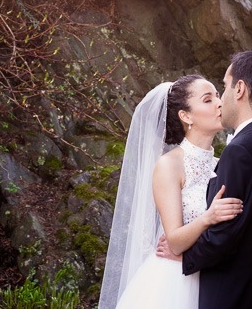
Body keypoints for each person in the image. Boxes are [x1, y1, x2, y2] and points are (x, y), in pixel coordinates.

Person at [159, 51, 252, 308]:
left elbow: (224, 236)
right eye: (209, 98)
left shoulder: (241, 150)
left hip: (238, 296)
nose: (220, 100)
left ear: (240, 89)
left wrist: (183, 256)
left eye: (223, 87)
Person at [98, 74, 243, 309]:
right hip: (174, 282)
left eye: (218, 95)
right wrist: (209, 217)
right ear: (186, 116)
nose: (219, 103)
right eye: (208, 100)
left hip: (213, 277)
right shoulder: (170, 165)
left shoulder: (222, 163)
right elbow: (173, 241)